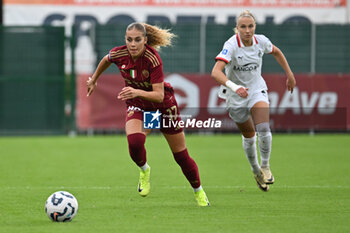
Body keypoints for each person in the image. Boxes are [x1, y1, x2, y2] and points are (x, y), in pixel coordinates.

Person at [86, 22, 210, 206]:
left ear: (145, 40)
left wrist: (136, 91)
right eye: (129, 40)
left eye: (137, 40)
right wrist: (94, 79)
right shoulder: (120, 53)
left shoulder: (153, 59)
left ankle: (198, 191)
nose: (133, 44)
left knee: (181, 156)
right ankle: (144, 170)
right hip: (140, 106)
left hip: (163, 107)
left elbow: (159, 96)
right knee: (135, 142)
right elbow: (106, 59)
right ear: (125, 40)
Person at [211, 10, 296, 191]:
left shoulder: (261, 41)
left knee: (264, 128)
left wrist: (289, 74)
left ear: (255, 27)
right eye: (243, 27)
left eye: (250, 26)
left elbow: (277, 52)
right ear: (237, 28)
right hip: (235, 96)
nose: (247, 30)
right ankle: (256, 170)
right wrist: (236, 88)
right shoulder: (231, 45)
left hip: (257, 89)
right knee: (249, 136)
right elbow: (215, 72)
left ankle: (265, 166)